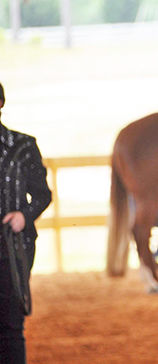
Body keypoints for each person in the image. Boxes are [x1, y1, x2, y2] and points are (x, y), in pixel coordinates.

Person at [0, 82, 52, 364]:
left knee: (10, 324)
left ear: (0, 104)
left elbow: (43, 195)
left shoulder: (23, 146)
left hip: (14, 247)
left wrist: (24, 215)